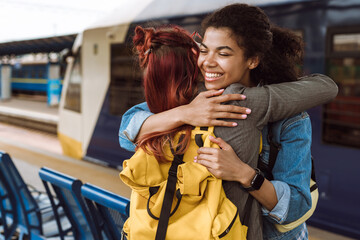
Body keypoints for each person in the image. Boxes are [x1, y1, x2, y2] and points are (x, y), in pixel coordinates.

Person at [119, 4, 338, 240]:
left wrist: (245, 175)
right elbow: (128, 130)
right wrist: (185, 113)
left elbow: (297, 206)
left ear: (252, 60)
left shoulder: (289, 119)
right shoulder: (191, 97)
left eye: (223, 54)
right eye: (204, 51)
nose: (208, 62)